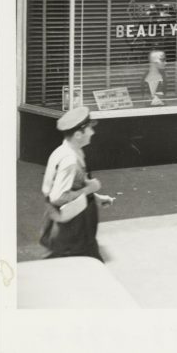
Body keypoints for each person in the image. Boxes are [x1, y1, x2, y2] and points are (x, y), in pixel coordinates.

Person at [39, 107, 115, 261]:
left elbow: (73, 185)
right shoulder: (70, 160)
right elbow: (58, 197)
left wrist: (96, 197)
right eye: (89, 129)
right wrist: (90, 189)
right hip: (73, 229)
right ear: (78, 134)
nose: (92, 133)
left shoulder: (66, 151)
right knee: (84, 265)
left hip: (72, 225)